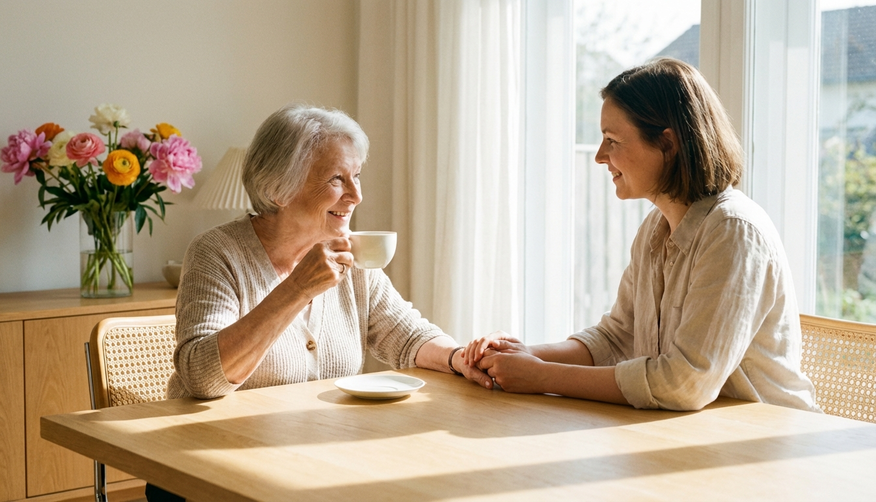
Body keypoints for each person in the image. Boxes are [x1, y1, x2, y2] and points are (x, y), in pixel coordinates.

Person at [149, 104, 489, 502]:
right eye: (336, 179)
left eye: (357, 176)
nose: (357, 195)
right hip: (208, 468)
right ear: (279, 188)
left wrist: (460, 358)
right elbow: (202, 378)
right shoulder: (218, 253)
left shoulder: (351, 255)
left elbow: (407, 335)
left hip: (311, 464)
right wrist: (295, 290)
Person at [464, 58, 820, 413]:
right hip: (686, 437)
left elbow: (684, 383)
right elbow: (617, 337)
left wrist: (542, 378)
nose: (600, 156)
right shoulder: (655, 229)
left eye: (612, 140)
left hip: (766, 448)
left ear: (668, 143)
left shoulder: (733, 232)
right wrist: (521, 355)